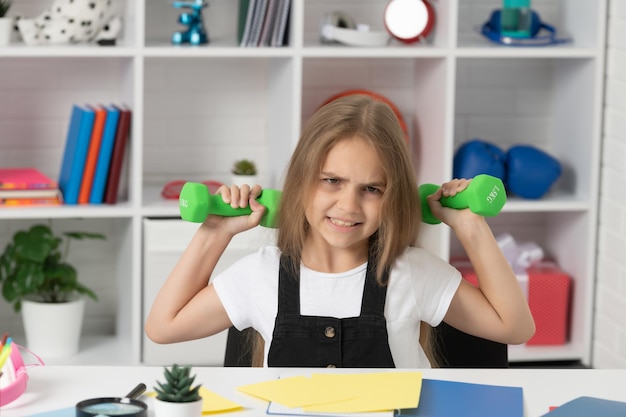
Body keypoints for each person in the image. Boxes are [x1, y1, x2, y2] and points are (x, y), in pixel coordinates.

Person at [145, 94, 535, 368]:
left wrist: (471, 226)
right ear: (299, 184)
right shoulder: (258, 274)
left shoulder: (413, 272)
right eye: (331, 180)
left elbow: (515, 327)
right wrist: (215, 234)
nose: (348, 206)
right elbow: (163, 328)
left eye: (371, 189)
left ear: (393, 198)